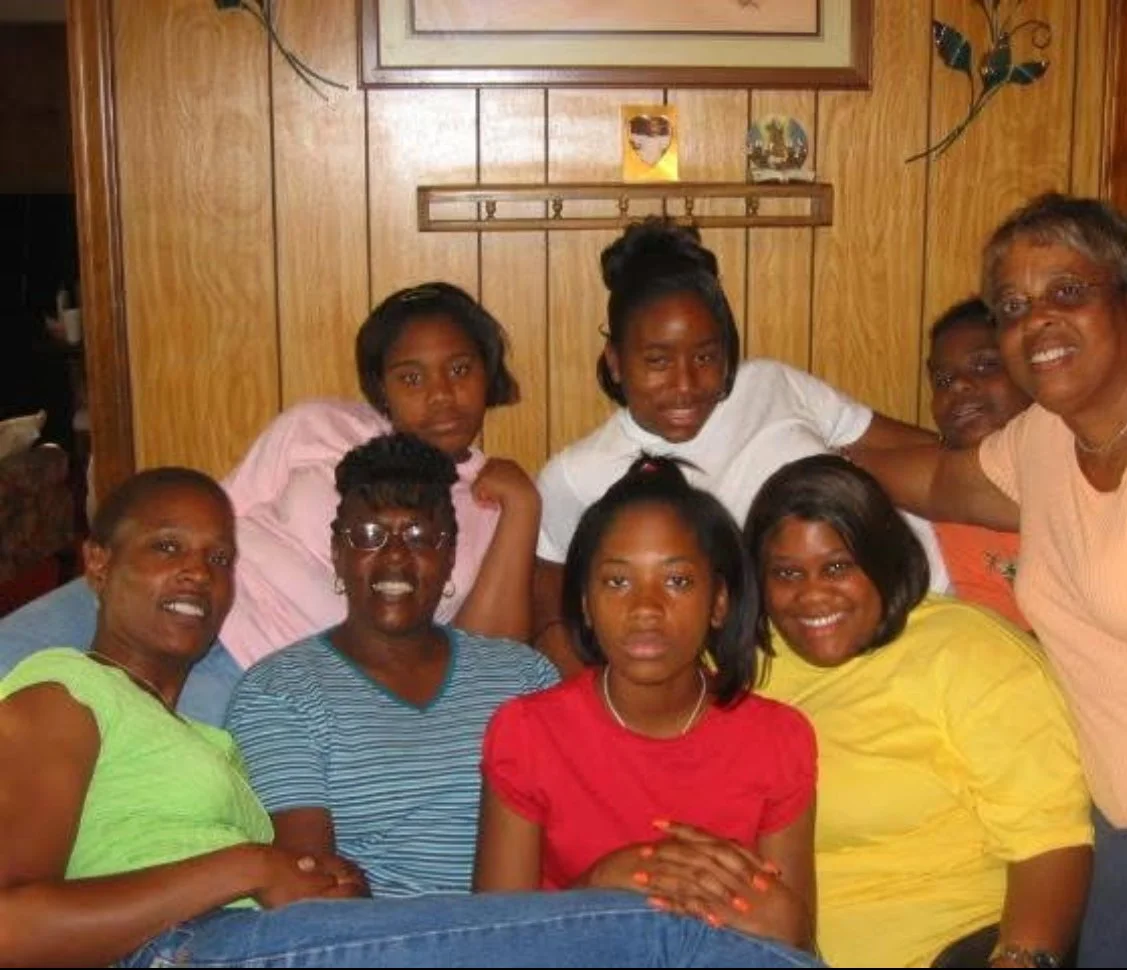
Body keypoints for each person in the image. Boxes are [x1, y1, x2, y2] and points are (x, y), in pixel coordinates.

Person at [0, 466, 827, 969]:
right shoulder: (63, 690)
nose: (199, 574)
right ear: (98, 566)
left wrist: (308, 880)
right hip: (186, 952)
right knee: (667, 933)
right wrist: (248, 866)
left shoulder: (206, 735)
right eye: (167, 549)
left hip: (258, 943)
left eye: (219, 558)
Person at [854, 193, 1127, 968]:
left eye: (1067, 292)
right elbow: (934, 480)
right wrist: (788, 444)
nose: (1037, 322)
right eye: (1015, 306)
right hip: (1124, 827)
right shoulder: (1044, 442)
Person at [0, 282, 541, 724]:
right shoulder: (320, 426)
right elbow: (217, 519)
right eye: (411, 377)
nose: (441, 394)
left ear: (488, 373)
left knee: (96, 774)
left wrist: (524, 508)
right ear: (381, 387)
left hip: (250, 668)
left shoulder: (488, 505)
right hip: (144, 601)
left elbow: (479, 655)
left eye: (460, 369)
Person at [533, 218, 949, 675]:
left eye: (706, 357)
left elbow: (923, 453)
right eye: (657, 361)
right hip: (781, 667)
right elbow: (552, 613)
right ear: (615, 362)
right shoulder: (577, 475)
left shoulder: (772, 383)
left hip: (927, 603)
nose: (686, 386)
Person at [744, 454, 1092, 968]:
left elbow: (1052, 843)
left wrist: (1018, 960)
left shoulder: (970, 652)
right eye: (787, 574)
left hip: (952, 949)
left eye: (838, 567)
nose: (812, 595)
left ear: (883, 558)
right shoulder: (738, 666)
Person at [475, 456, 818, 953]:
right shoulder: (527, 732)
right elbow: (489, 948)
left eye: (677, 581)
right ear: (586, 605)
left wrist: (784, 919)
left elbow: (797, 946)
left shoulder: (778, 737)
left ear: (719, 602)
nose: (645, 609)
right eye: (617, 581)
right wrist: (599, 887)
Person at [225, 433, 558, 896]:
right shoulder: (281, 689)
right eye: (368, 536)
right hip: (373, 941)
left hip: (527, 932)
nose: (396, 557)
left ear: (449, 557)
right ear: (338, 555)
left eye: (420, 536)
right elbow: (310, 885)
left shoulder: (524, 676)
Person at [925, 297, 1032, 629]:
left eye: (985, 365)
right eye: (942, 380)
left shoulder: (1082, 470)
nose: (957, 384)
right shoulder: (943, 501)